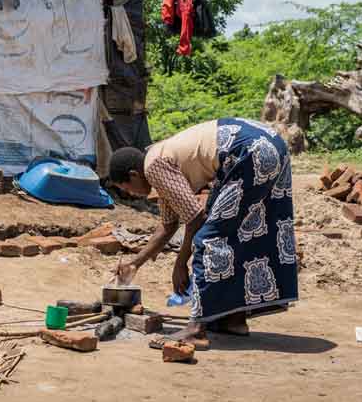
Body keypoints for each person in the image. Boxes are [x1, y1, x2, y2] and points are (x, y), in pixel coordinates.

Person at [107, 118, 298, 347]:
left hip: (249, 152)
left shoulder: (153, 166)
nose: (131, 194)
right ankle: (232, 318)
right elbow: (168, 225)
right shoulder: (160, 159)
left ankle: (196, 329)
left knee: (208, 240)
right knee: (241, 232)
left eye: (126, 188)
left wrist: (180, 263)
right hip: (269, 144)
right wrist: (134, 264)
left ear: (133, 174)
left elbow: (196, 217)